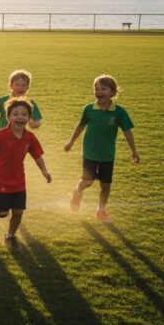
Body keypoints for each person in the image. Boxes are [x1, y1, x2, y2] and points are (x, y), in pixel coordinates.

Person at [0, 98, 52, 251]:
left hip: (18, 181)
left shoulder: (30, 138)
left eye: (24, 114)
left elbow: (37, 155)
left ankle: (10, 236)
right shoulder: (0, 136)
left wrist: (44, 171)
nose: (20, 117)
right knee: (3, 213)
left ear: (29, 119)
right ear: (8, 117)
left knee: (18, 212)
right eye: (15, 114)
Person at [64, 74, 139, 223]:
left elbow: (127, 131)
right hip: (90, 153)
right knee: (87, 181)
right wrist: (71, 141)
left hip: (107, 155)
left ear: (113, 92)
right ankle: (76, 193)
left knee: (105, 185)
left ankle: (101, 210)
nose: (99, 92)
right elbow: (81, 126)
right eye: (96, 89)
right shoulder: (89, 109)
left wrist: (133, 150)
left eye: (103, 89)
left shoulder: (119, 112)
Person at [0, 69, 41, 136]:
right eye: (17, 85)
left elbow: (37, 121)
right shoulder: (2, 100)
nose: (20, 88)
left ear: (28, 87)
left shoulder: (30, 103)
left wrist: (34, 124)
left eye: (24, 85)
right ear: (11, 85)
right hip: (1, 135)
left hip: (19, 136)